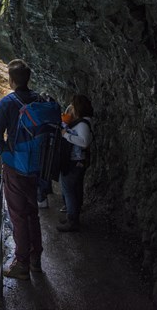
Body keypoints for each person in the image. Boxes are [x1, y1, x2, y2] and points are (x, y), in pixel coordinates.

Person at [0, 59, 43, 280]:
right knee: (33, 213)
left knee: (19, 215)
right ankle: (35, 261)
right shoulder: (39, 99)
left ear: (11, 80)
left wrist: (9, 158)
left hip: (15, 169)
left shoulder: (7, 102)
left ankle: (21, 263)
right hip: (37, 167)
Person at [57, 94, 94, 232]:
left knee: (69, 190)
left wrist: (66, 135)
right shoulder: (83, 121)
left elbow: (84, 142)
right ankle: (73, 217)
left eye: (73, 104)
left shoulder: (83, 124)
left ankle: (72, 220)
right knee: (75, 189)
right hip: (78, 161)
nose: (71, 107)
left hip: (75, 161)